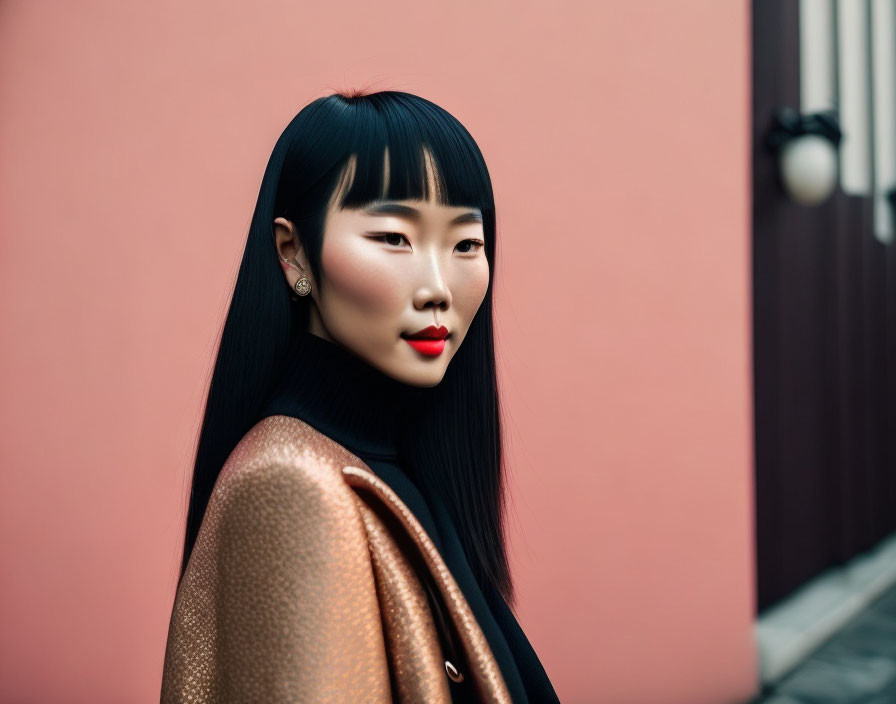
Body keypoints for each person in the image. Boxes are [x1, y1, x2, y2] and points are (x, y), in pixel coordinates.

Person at [161, 89, 560, 703]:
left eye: (465, 245)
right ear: (294, 251)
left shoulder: (406, 464)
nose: (436, 288)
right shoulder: (291, 484)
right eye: (394, 238)